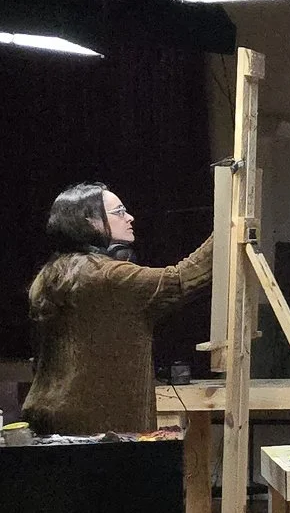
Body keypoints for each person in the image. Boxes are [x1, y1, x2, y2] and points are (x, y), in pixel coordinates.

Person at [24, 183, 213, 436]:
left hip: (47, 418)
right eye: (119, 212)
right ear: (90, 222)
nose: (130, 217)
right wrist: (228, 228)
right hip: (98, 429)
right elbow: (181, 279)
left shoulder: (50, 275)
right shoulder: (109, 276)